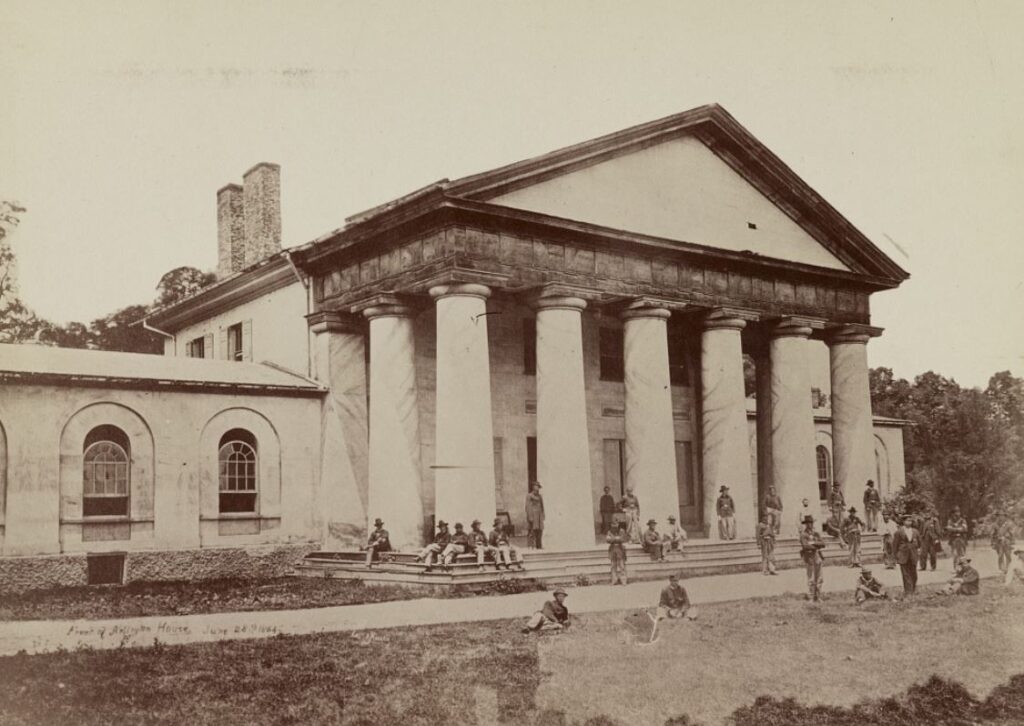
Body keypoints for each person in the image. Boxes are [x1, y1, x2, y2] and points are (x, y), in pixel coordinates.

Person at [799, 515, 826, 601]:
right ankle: (811, 596)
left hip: (817, 556)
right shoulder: (803, 534)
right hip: (809, 556)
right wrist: (816, 545)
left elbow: (823, 544)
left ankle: (818, 596)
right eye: (808, 523)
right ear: (805, 524)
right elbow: (805, 546)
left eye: (811, 523)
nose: (810, 524)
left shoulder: (816, 533)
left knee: (819, 577)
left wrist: (813, 543)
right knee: (811, 578)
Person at [893, 516, 920, 597]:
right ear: (904, 522)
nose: (909, 522)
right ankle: (908, 591)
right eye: (908, 521)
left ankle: (913, 589)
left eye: (911, 521)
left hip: (913, 554)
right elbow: (895, 545)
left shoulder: (915, 531)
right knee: (905, 574)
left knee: (914, 574)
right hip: (903, 555)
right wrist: (896, 555)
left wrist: (917, 549)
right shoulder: (899, 532)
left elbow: (919, 543)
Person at [526, 482, 545, 549]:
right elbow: (528, 507)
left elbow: (542, 506)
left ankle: (539, 545)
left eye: (538, 487)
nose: (538, 489)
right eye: (536, 487)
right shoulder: (529, 496)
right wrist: (530, 517)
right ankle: (531, 545)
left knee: (540, 531)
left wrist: (543, 515)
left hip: (539, 516)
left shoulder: (540, 496)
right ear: (533, 487)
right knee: (532, 531)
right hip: (533, 515)